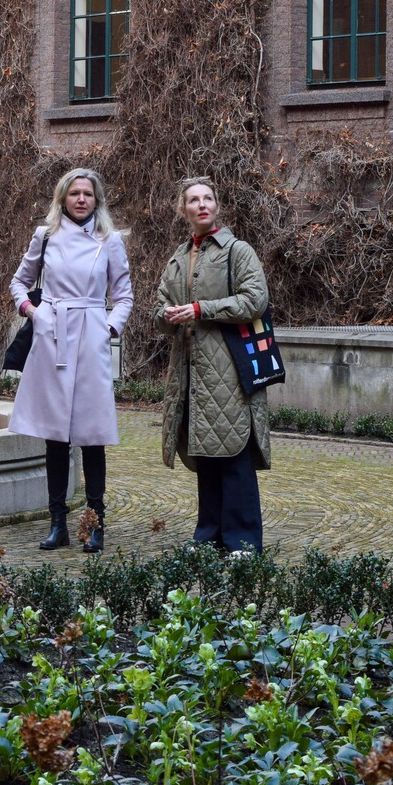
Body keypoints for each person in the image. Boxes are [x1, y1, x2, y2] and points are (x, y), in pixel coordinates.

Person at [9, 168, 134, 553]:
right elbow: (18, 281)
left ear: (97, 200)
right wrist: (34, 311)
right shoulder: (44, 237)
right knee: (55, 436)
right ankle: (58, 522)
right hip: (53, 338)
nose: (81, 199)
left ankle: (96, 522)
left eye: (88, 194)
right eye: (74, 193)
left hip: (91, 339)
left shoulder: (109, 241)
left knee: (92, 435)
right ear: (62, 198)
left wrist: (108, 329)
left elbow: (125, 295)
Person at [154, 177, 270, 555]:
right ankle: (209, 536)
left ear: (217, 206)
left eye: (208, 198)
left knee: (234, 451)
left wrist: (204, 309)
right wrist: (167, 316)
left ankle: (244, 540)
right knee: (205, 452)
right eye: (193, 200)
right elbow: (160, 306)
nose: (202, 205)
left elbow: (255, 300)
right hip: (188, 368)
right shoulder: (177, 257)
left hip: (228, 366)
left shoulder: (238, 251)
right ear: (183, 209)